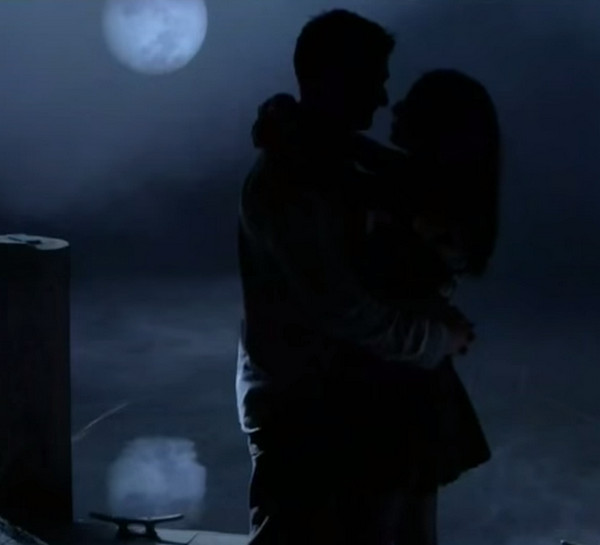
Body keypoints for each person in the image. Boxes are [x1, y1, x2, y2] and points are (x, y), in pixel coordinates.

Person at [236, 10, 474, 545]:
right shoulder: (295, 182)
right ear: (333, 79)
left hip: (329, 412)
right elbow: (343, 310)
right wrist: (439, 338)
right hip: (310, 415)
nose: (383, 97)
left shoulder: (324, 168)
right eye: (373, 80)